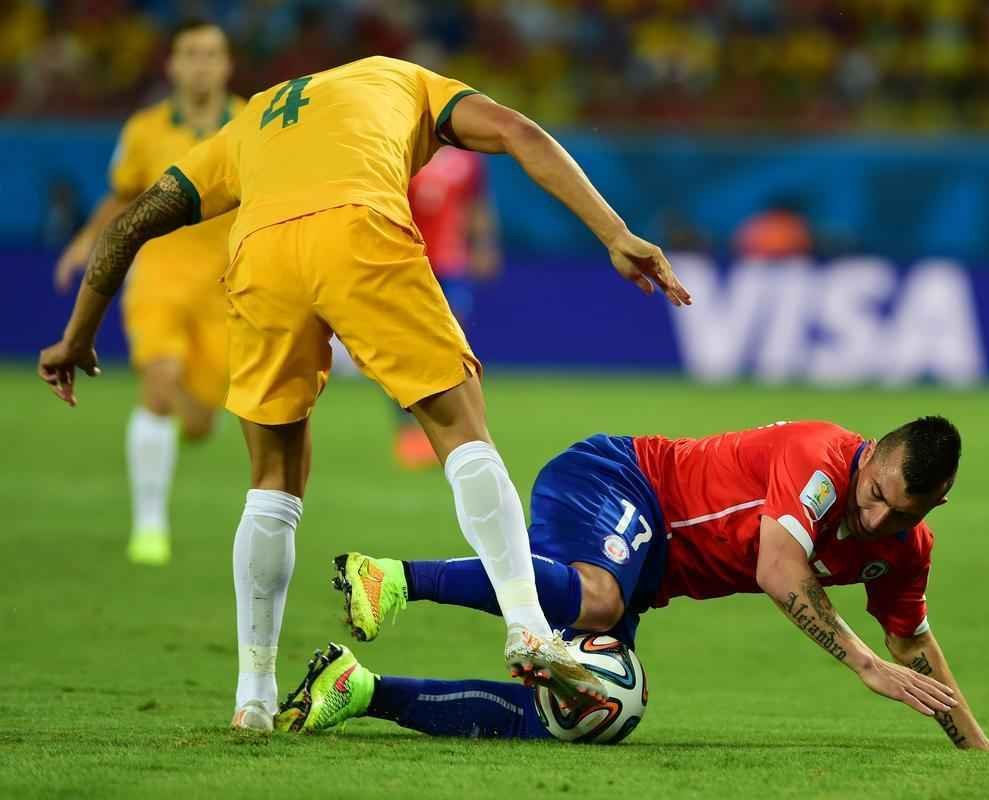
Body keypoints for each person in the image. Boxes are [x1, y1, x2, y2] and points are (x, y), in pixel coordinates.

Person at [38, 56, 692, 731]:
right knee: (460, 428)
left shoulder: (252, 116)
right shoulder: (406, 80)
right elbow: (519, 132)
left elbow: (130, 223)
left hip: (260, 257)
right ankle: (528, 625)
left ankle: (254, 695)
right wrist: (615, 233)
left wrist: (76, 337)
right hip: (359, 229)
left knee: (272, 481)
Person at [277, 417, 989, 753]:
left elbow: (913, 643)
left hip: (647, 570)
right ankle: (393, 579)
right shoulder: (820, 458)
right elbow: (778, 570)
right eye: (877, 492)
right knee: (598, 597)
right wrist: (863, 664)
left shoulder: (903, 550)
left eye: (903, 512)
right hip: (619, 479)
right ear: (875, 453)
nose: (877, 516)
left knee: (582, 715)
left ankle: (359, 690)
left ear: (935, 507)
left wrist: (974, 741)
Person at [52, 19, 243, 566]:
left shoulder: (253, 122)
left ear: (227, 65)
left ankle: (175, 435)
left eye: (212, 54)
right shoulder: (144, 129)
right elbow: (122, 197)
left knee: (200, 423)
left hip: (226, 289)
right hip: (157, 279)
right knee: (158, 386)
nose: (201, 64)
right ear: (172, 65)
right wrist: (85, 242)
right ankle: (150, 526)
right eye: (191, 54)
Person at [395, 146, 501, 469]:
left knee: (453, 347)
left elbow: (477, 204)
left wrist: (484, 245)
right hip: (409, 261)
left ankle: (462, 431)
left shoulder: (468, 158)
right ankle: (410, 432)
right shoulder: (407, 149)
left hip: (451, 262)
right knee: (407, 348)